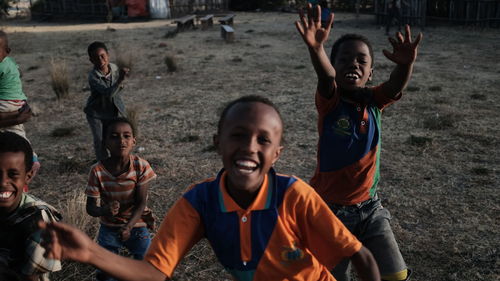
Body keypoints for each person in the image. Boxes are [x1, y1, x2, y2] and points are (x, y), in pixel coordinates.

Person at [40, 95, 381, 281]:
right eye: (238, 135)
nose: (250, 146)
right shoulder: (200, 202)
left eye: (263, 140)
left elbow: (361, 258)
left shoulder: (294, 196)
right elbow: (154, 271)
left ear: (277, 154)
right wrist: (91, 253)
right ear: (218, 142)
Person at [295, 4, 422, 281]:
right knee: (331, 277)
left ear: (371, 72)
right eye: (344, 59)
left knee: (396, 274)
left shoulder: (375, 102)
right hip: (330, 211)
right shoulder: (330, 101)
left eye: (362, 60)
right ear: (334, 65)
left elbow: (395, 86)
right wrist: (317, 49)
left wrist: (406, 65)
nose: (353, 63)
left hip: (370, 209)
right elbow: (326, 77)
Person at [85, 117, 156, 281]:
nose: (121, 141)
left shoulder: (141, 166)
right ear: (105, 142)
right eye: (114, 136)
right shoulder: (97, 171)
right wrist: (104, 210)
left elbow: (141, 203)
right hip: (109, 227)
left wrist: (129, 227)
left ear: (133, 141)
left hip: (136, 223)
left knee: (147, 263)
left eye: (126, 136)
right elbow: (90, 208)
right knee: (106, 271)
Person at [0, 131, 62, 281]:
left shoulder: (38, 220)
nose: (2, 182)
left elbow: (32, 278)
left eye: (13, 174)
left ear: (27, 177)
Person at [0, 30, 40, 191]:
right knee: (16, 132)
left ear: (7, 51)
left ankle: (29, 160)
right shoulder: (9, 62)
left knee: (13, 136)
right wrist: (17, 118)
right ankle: (32, 159)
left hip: (7, 103)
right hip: (13, 104)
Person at [85, 41, 130, 161]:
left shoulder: (114, 68)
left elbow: (117, 92)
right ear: (91, 61)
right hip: (96, 113)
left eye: (102, 56)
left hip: (111, 111)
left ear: (108, 55)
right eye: (96, 58)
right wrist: (120, 80)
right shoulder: (93, 76)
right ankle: (103, 165)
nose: (100, 60)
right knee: (100, 140)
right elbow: (108, 93)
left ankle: (117, 160)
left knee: (114, 137)